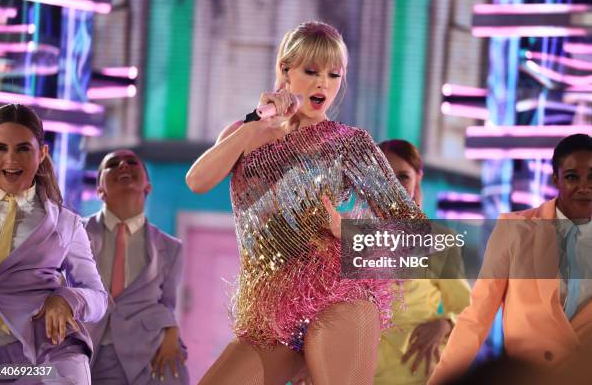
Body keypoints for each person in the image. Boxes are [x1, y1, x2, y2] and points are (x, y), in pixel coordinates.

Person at [186, 21, 426, 385]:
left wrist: (348, 231)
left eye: (333, 75)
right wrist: (256, 120)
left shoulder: (349, 143)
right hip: (269, 313)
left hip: (339, 297)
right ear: (285, 70)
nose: (322, 84)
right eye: (311, 71)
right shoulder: (245, 131)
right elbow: (197, 181)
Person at [428, 133, 592, 385]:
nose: (584, 186)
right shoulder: (514, 230)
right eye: (572, 177)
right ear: (555, 179)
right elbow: (477, 317)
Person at [0, 103, 107, 384]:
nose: (11, 159)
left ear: (42, 154)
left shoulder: (67, 224)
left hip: (46, 358)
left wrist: (67, 299)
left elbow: (99, 298)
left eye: (23, 148)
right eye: (0, 148)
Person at [83, 149, 189, 384]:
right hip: (88, 355)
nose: (123, 165)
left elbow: (167, 305)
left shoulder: (171, 248)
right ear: (99, 189)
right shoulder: (74, 234)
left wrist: (172, 330)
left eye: (132, 162)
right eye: (112, 164)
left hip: (150, 356)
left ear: (148, 186)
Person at [374, 140, 471, 384]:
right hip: (359, 369)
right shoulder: (347, 238)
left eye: (403, 177)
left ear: (418, 178)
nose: (393, 186)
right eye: (384, 175)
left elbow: (468, 308)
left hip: (419, 368)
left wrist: (445, 324)